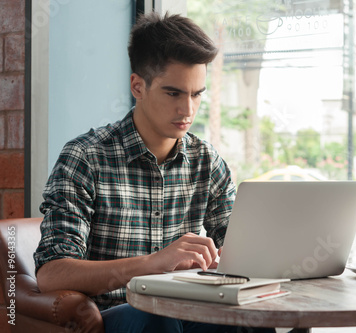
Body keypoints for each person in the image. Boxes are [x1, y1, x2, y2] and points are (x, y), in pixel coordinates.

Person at [34, 12, 274, 333]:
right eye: (173, 93)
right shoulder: (85, 157)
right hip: (121, 314)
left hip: (190, 311)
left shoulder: (206, 160)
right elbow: (52, 274)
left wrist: (236, 259)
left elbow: (239, 247)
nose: (187, 110)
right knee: (155, 317)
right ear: (138, 86)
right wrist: (153, 264)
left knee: (256, 318)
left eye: (197, 94)